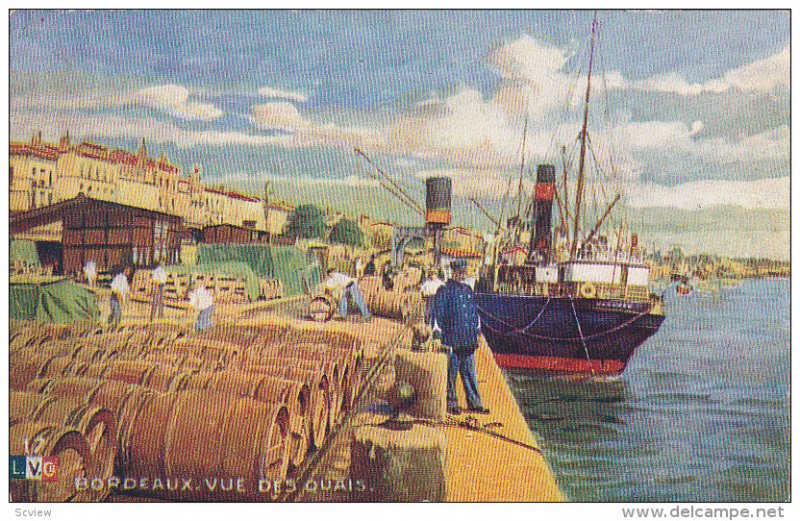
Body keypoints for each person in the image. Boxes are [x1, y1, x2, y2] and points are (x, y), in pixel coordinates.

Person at [433, 259, 489, 415]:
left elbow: (474, 314)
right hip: (452, 340)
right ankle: (451, 404)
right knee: (450, 375)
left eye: (465, 272)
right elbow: (437, 316)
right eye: (461, 272)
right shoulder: (444, 291)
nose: (463, 274)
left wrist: (478, 333)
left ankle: (475, 403)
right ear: (454, 272)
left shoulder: (468, 290)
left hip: (469, 340)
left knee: (470, 373)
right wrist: (437, 336)